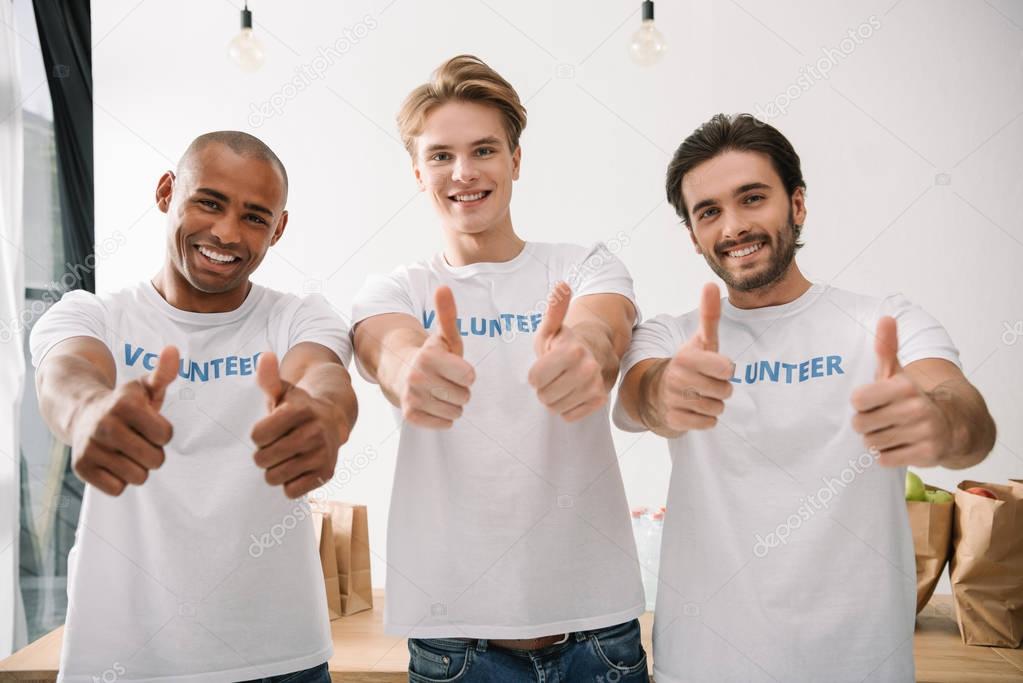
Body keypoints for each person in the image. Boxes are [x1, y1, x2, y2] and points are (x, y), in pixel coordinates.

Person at [614, 113, 997, 683]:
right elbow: (640, 398)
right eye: (709, 211)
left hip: (861, 666)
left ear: (796, 204)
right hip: (703, 665)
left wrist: (939, 425)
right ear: (693, 236)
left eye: (752, 198)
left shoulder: (884, 321)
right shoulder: (670, 336)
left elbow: (966, 418)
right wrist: (664, 392)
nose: (734, 226)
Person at [351, 55, 649, 682]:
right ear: (416, 171)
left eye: (484, 150)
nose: (463, 173)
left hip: (597, 638)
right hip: (455, 645)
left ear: (516, 160)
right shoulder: (396, 289)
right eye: (440, 156)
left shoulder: (585, 265)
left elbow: (605, 328)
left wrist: (582, 352)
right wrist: (412, 369)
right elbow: (387, 349)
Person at [30, 131, 357, 682]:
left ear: (277, 229)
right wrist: (88, 413)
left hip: (282, 663)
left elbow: (324, 377)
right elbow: (66, 374)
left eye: (255, 217)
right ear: (166, 192)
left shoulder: (299, 317)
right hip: (120, 663)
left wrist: (325, 415)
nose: (227, 233)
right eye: (209, 202)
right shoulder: (92, 315)